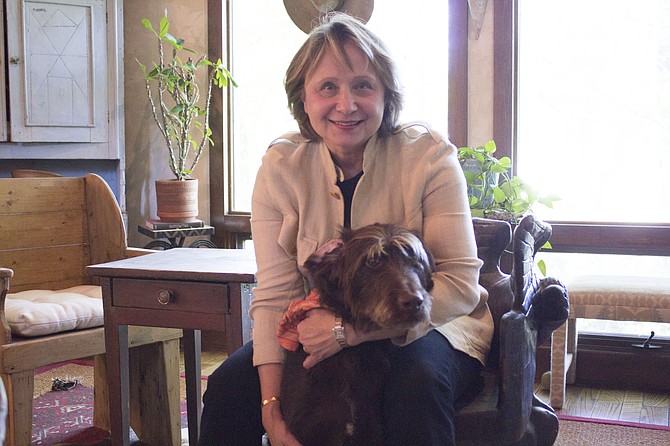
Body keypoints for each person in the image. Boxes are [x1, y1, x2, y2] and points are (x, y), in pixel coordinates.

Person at [198, 12, 493, 446]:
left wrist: (348, 333)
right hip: (315, 323)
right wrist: (272, 414)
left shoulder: (429, 157)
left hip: (436, 324)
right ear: (304, 99)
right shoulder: (280, 167)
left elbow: (461, 284)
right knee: (227, 388)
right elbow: (275, 295)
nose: (346, 104)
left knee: (414, 387)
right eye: (327, 87)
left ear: (385, 95)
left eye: (363, 85)